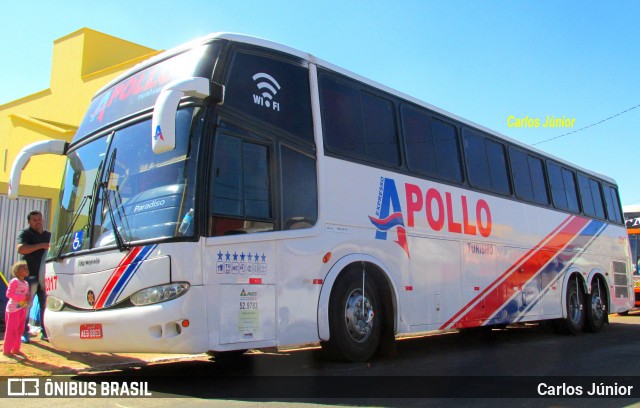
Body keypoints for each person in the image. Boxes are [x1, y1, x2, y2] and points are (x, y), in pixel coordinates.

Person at [16, 210, 51, 342]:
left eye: (39, 219)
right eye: (34, 220)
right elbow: (21, 249)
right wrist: (41, 246)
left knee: (45, 305)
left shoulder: (48, 235)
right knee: (26, 304)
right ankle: (23, 332)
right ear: (29, 222)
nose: (38, 222)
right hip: (29, 277)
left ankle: (45, 331)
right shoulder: (25, 233)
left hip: (45, 277)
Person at [3, 261, 30, 359]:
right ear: (18, 271)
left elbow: (26, 294)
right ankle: (7, 350)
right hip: (13, 310)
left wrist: (28, 297)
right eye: (24, 268)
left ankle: (16, 348)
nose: (27, 270)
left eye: (27, 268)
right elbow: (9, 294)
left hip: (21, 309)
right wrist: (23, 297)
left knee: (20, 329)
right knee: (11, 330)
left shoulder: (26, 283)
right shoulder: (14, 281)